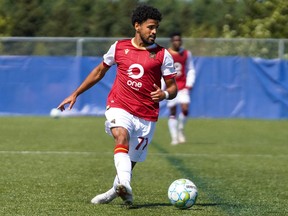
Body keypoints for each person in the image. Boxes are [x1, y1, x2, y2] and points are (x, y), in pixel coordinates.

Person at [57, 5, 177, 206]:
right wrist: (75, 93)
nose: (154, 31)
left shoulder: (163, 55)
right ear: (137, 26)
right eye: (150, 27)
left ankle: (115, 191)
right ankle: (125, 187)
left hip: (147, 114)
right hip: (119, 105)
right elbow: (98, 72)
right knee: (121, 135)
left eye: (156, 27)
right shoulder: (119, 47)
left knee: (130, 163)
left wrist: (164, 94)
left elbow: (173, 88)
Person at [166, 32, 196, 145]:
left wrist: (190, 83)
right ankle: (174, 137)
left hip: (183, 86)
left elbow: (191, 69)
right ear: (171, 41)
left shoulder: (186, 54)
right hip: (171, 87)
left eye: (179, 40)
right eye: (175, 40)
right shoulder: (166, 54)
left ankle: (180, 129)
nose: (177, 42)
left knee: (185, 109)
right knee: (172, 112)